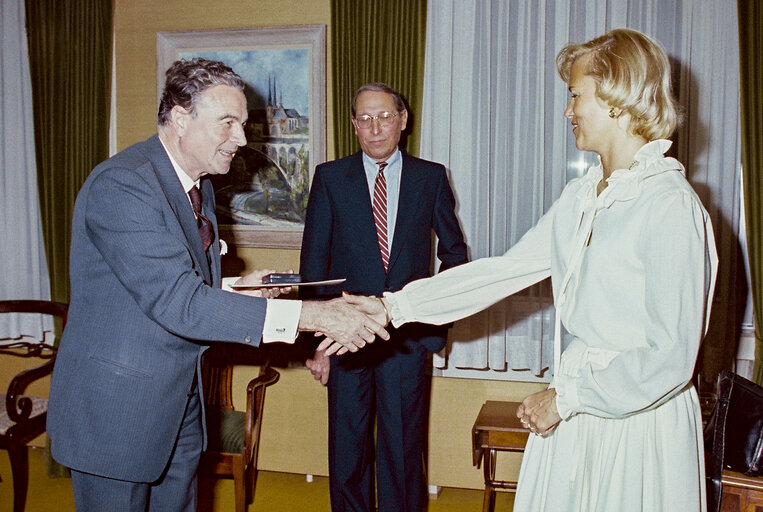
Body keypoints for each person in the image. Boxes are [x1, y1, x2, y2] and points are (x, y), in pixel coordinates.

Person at [344, 29, 718, 511]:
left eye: (575, 95)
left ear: (618, 98)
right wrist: (390, 306)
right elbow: (502, 272)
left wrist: (566, 399)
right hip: (579, 403)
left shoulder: (668, 205)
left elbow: (670, 356)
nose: (568, 110)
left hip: (636, 419)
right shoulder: (582, 198)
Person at [46, 58, 388, 512]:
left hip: (179, 405)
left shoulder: (198, 185)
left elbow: (170, 284)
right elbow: (177, 302)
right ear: (181, 118)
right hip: (118, 414)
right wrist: (315, 315)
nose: (243, 139)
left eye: (244, 124)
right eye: (228, 122)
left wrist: (237, 287)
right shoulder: (124, 185)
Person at [300, 82, 468, 511]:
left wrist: (433, 325)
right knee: (348, 450)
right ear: (354, 124)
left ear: (403, 121)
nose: (375, 128)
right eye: (365, 119)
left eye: (385, 117)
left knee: (403, 453)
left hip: (405, 339)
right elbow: (314, 266)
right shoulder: (330, 178)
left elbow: (454, 256)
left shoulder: (429, 177)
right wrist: (317, 346)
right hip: (344, 337)